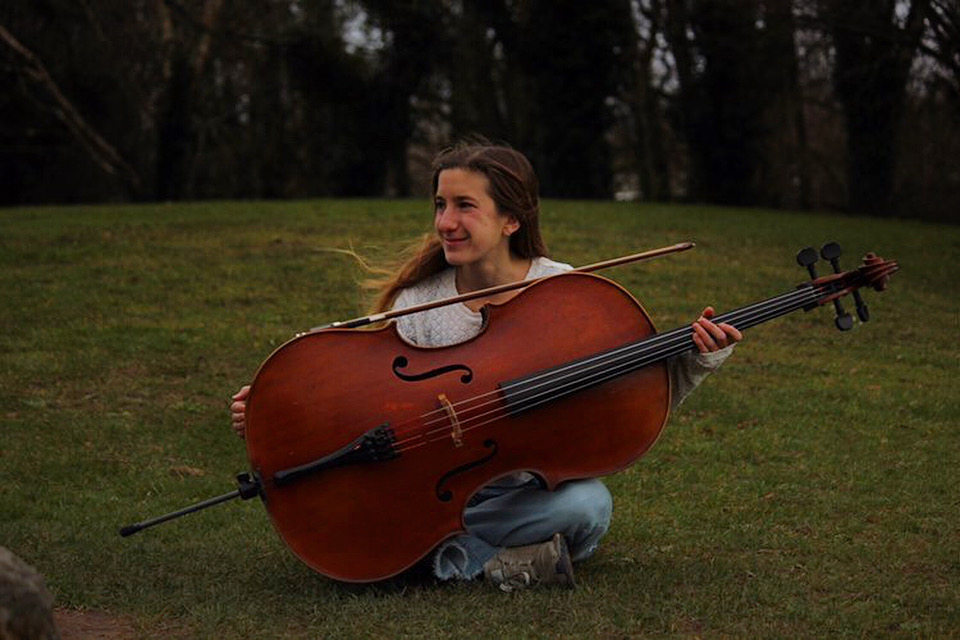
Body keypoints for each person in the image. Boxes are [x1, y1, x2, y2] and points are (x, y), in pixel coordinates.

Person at [230, 141, 741, 591]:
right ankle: (487, 561)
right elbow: (361, 393)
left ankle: (447, 559)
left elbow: (616, 404)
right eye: (440, 204)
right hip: (421, 486)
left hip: (513, 498)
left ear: (511, 219)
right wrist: (276, 409)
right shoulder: (418, 300)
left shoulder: (564, 294)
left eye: (465, 207)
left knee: (588, 507)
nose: (445, 223)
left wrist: (695, 360)